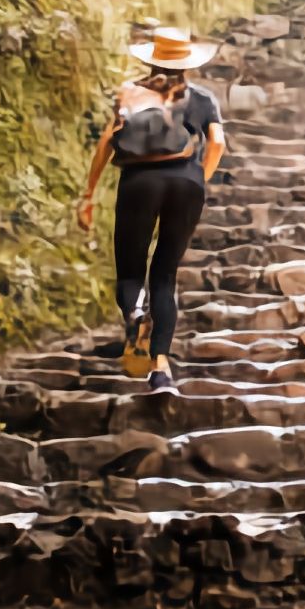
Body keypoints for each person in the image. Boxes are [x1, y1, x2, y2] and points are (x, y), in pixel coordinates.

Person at [77, 27, 226, 390]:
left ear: (150, 58)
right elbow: (218, 144)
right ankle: (161, 370)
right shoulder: (202, 98)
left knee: (131, 272)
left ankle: (136, 312)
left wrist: (89, 194)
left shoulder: (130, 93)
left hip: (139, 182)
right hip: (186, 182)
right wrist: (199, 180)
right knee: (165, 276)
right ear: (187, 63)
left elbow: (107, 143)